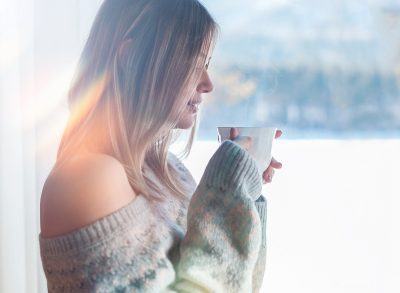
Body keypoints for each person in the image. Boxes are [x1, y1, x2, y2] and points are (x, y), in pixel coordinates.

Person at [39, 0, 282, 292]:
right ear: (131, 58)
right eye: (194, 62)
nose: (207, 83)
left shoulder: (167, 172)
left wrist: (245, 193)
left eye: (207, 65)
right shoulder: (87, 178)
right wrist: (228, 188)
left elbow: (240, 284)